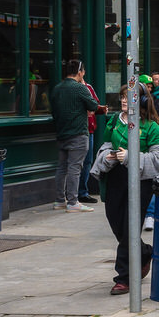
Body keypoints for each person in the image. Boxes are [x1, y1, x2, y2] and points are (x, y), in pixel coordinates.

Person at [93, 88, 159, 294]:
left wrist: (130, 157)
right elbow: (107, 143)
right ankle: (144, 251)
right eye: (123, 97)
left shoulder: (152, 127)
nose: (124, 100)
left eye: (129, 97)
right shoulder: (116, 120)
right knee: (117, 223)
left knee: (129, 226)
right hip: (115, 177)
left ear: (141, 100)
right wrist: (107, 154)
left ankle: (124, 277)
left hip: (141, 181)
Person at [50, 59, 104, 212]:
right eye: (83, 72)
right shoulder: (80, 88)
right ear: (80, 73)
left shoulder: (57, 88)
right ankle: (73, 202)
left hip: (61, 133)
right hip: (78, 133)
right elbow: (93, 105)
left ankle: (60, 200)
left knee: (61, 168)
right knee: (75, 168)